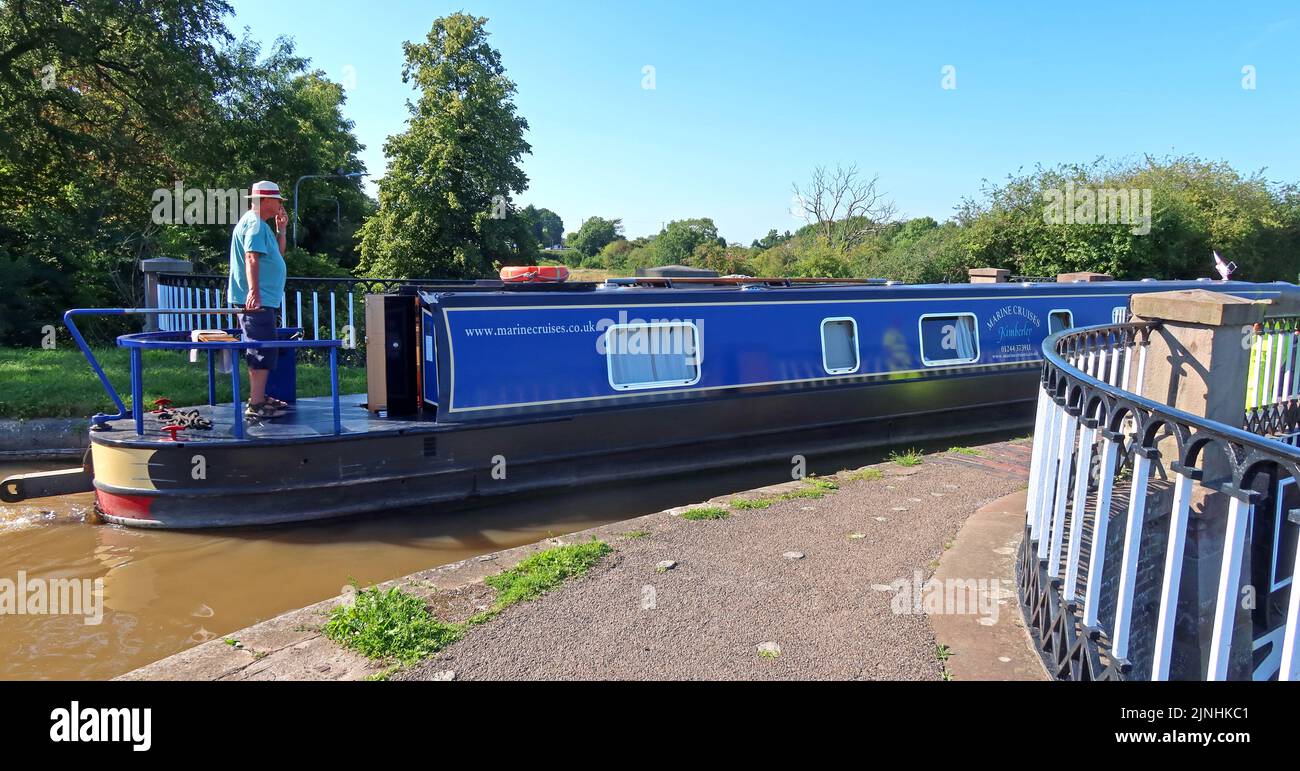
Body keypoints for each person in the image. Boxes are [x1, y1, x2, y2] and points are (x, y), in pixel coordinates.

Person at [228, 180, 291, 420]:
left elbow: (277, 255)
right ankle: (255, 403)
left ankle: (260, 397)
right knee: (260, 349)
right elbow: (251, 257)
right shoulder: (253, 223)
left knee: (265, 348)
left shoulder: (261, 225)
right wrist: (253, 292)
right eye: (277, 200)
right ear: (264, 200)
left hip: (264, 299)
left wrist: (281, 230)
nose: (279, 205)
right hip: (258, 301)